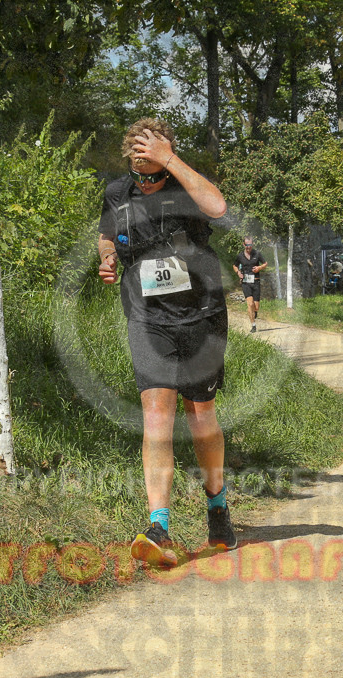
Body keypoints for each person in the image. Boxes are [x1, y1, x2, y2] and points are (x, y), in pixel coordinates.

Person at [97, 118, 237, 567]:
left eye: (152, 151)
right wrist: (107, 258)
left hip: (201, 316)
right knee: (157, 415)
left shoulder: (187, 184)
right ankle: (158, 525)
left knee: (200, 417)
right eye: (137, 154)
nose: (145, 179)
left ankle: (217, 506)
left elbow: (218, 207)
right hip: (147, 318)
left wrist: (170, 159)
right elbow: (106, 235)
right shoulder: (118, 193)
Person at [233, 237, 267, 332]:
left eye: (250, 245)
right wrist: (238, 273)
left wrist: (259, 268)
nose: (249, 247)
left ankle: (254, 312)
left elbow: (265, 263)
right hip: (245, 283)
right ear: (244, 245)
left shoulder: (257, 254)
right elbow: (235, 265)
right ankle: (253, 325)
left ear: (252, 244)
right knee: (250, 303)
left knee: (256, 307)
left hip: (256, 282)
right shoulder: (240, 256)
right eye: (247, 245)